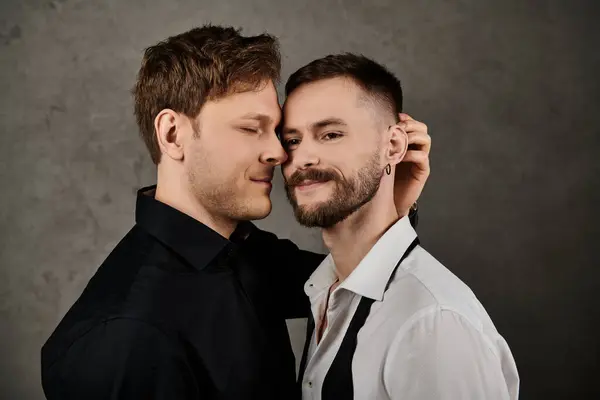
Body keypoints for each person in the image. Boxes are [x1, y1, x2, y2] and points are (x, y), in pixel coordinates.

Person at [40, 26, 431, 400]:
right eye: (250, 128)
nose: (279, 154)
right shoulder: (126, 336)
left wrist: (392, 205)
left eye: (277, 132)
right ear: (173, 135)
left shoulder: (240, 249)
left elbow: (351, 284)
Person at [280, 53, 519, 400]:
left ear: (393, 145)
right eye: (292, 140)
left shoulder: (433, 322)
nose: (302, 158)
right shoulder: (325, 290)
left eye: (330, 134)